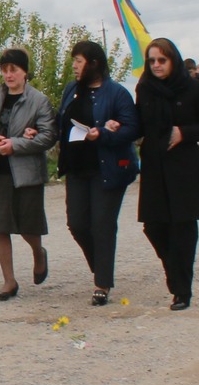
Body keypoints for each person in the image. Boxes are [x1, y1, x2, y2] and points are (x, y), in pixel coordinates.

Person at [134, 37, 199, 311]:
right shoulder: (145, 87)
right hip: (154, 164)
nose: (156, 65)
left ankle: (182, 290)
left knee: (182, 228)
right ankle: (173, 271)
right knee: (154, 226)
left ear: (173, 60)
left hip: (185, 166)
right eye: (152, 61)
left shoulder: (194, 89)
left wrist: (184, 132)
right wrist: (116, 126)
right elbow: (139, 124)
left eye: (162, 60)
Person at [55, 39, 138, 307]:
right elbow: (61, 122)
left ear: (93, 64)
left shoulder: (117, 93)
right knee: (77, 224)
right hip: (77, 168)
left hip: (108, 169)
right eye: (74, 61)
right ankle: (101, 267)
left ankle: (102, 283)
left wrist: (102, 133)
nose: (74, 66)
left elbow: (131, 129)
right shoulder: (71, 90)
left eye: (78, 62)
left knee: (102, 225)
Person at [0, 47, 55, 301]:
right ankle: (9, 281)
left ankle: (38, 252)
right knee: (0, 226)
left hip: (27, 173)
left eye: (13, 70)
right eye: (4, 70)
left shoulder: (39, 100)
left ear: (25, 72)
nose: (8, 75)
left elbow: (48, 136)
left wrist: (15, 145)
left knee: (29, 226)